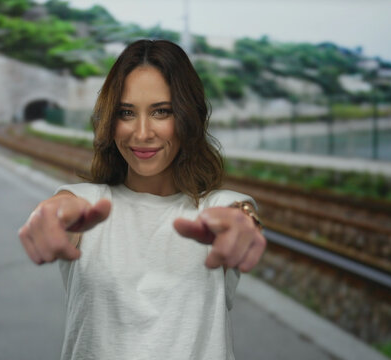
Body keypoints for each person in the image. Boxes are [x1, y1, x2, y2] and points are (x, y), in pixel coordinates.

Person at [18, 39, 266, 360]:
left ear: (188, 116)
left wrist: (244, 222)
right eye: (126, 113)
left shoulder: (217, 207)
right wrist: (47, 216)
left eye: (161, 111)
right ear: (110, 120)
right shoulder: (87, 203)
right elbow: (61, 209)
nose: (142, 133)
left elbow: (240, 214)